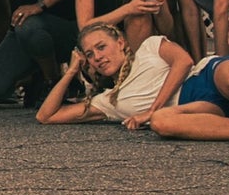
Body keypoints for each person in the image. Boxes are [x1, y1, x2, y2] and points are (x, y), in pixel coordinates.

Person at [34, 19, 183, 127]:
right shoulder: (108, 100)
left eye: (101, 47)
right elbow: (45, 116)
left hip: (203, 78)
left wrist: (152, 111)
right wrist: (71, 71)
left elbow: (184, 61)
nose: (97, 57)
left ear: (120, 43)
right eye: (90, 54)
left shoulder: (150, 47)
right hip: (193, 112)